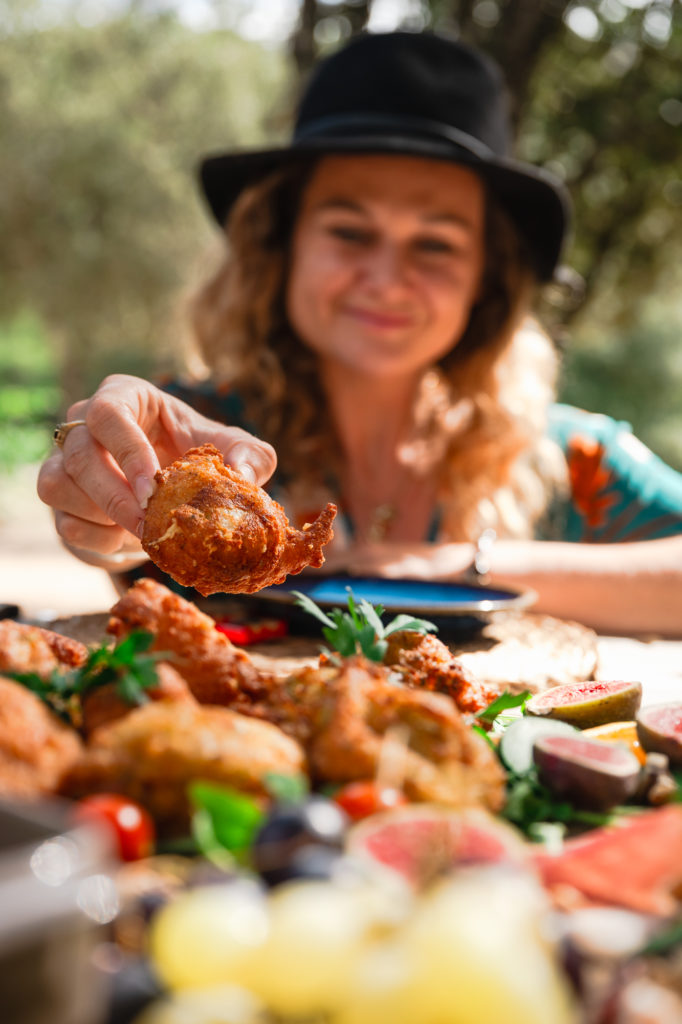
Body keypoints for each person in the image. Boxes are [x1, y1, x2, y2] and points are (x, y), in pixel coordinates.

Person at [37, 31, 682, 635]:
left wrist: (463, 562)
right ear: (282, 247)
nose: (386, 278)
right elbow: (121, 537)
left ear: (486, 276)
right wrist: (111, 503)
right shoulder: (195, 430)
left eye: (435, 244)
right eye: (350, 231)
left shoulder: (574, 465)